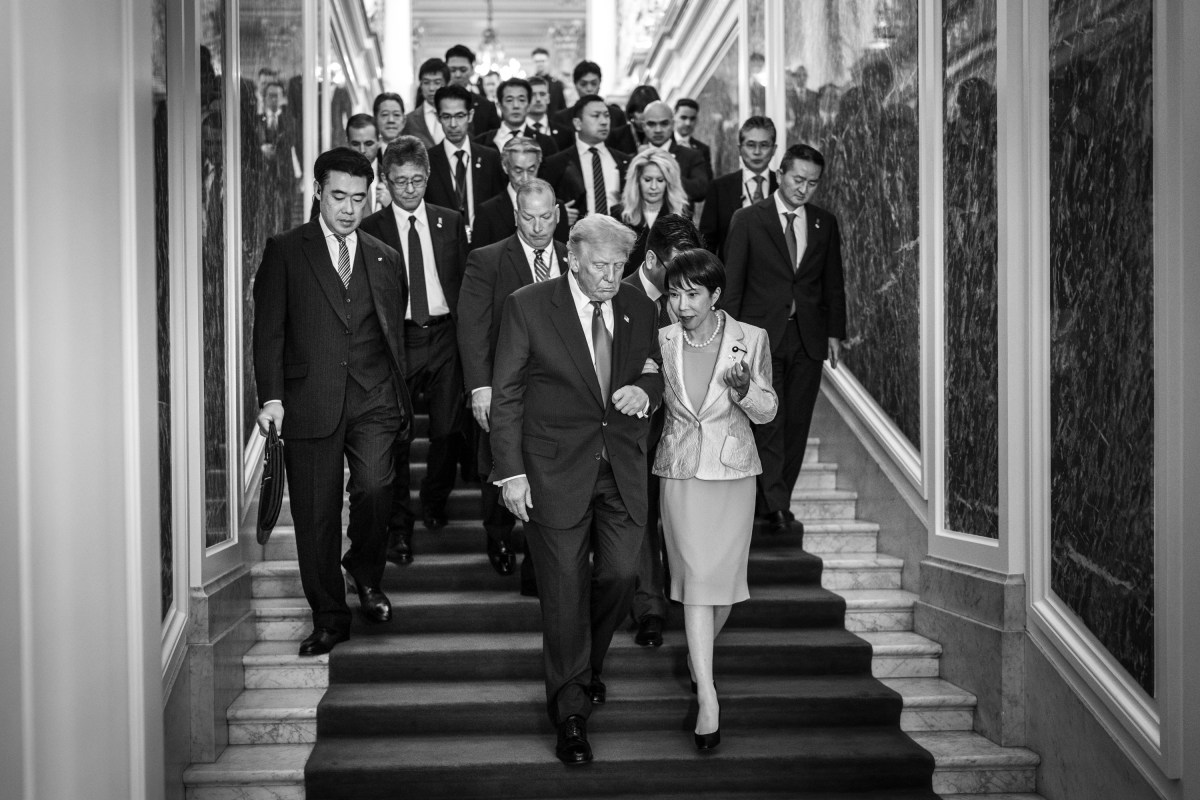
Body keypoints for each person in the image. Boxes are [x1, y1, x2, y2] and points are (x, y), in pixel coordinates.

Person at [489, 214, 663, 765]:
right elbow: (508, 393)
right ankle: (570, 710)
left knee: (621, 574)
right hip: (552, 471)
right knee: (563, 590)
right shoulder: (528, 305)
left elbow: (655, 370)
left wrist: (646, 391)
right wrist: (510, 473)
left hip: (621, 470)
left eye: (619, 266)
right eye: (600, 266)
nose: (611, 277)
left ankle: (584, 666)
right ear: (572, 257)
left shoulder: (639, 306)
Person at [252, 147, 413, 656]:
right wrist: (271, 398)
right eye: (338, 196)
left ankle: (364, 574)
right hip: (308, 401)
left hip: (374, 399)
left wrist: (398, 394)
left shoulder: (385, 256)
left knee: (374, 488)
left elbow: (393, 329)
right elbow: (268, 333)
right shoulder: (285, 250)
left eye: (359, 198)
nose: (348, 208)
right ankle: (328, 613)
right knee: (316, 515)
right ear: (318, 192)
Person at [654, 247, 777, 750]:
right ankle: (707, 693)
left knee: (720, 586)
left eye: (692, 294)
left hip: (732, 474)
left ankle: (696, 659)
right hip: (681, 470)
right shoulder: (659, 338)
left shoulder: (750, 339)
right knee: (695, 581)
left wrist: (747, 389)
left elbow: (767, 410)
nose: (682, 305)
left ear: (715, 294)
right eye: (674, 294)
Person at [723, 143, 846, 536]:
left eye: (812, 183)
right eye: (798, 179)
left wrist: (834, 333)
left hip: (807, 338)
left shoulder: (823, 223)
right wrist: (732, 340)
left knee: (797, 424)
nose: (804, 189)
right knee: (769, 420)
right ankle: (774, 504)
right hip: (762, 338)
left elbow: (834, 281)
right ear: (780, 174)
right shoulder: (748, 219)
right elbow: (734, 282)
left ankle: (778, 500)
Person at [358, 136, 469, 564]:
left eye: (417, 180)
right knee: (398, 439)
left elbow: (463, 282)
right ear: (385, 181)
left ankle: (435, 501)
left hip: (444, 337)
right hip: (397, 341)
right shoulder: (371, 229)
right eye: (400, 181)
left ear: (427, 177)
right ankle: (398, 529)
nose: (409, 189)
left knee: (446, 430)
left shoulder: (450, 220)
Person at [458, 178, 566, 589]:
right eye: (528, 217)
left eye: (545, 217)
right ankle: (499, 537)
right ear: (515, 214)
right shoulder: (487, 259)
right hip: (505, 387)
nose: (537, 226)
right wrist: (480, 387)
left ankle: (538, 563)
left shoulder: (570, 257)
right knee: (499, 464)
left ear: (557, 214)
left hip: (556, 390)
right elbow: (472, 326)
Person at [620, 213, 704, 648]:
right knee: (640, 519)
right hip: (631, 430)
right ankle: (649, 607)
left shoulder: (691, 296)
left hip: (685, 431)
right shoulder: (617, 293)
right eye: (675, 265)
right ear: (651, 258)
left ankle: (689, 602)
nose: (683, 277)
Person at [423, 84, 507, 241]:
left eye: (460, 116)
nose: (453, 124)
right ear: (437, 117)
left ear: (470, 115)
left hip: (486, 246)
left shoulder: (490, 157)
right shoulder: (427, 161)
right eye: (446, 117)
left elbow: (498, 207)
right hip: (443, 246)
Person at [539, 94, 632, 219]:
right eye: (595, 116)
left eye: (607, 115)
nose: (604, 122)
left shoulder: (625, 162)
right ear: (578, 123)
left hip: (618, 233)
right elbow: (543, 204)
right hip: (575, 234)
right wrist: (556, 214)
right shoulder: (555, 164)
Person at [470, 136, 571, 251]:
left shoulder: (556, 207)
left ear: (539, 165)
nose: (525, 178)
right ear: (505, 167)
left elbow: (563, 253)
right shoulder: (487, 212)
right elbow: (480, 260)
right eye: (518, 171)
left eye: (531, 170)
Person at [700, 116, 779, 258]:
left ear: (774, 149)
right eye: (750, 144)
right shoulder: (719, 188)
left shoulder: (783, 187)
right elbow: (706, 243)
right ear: (739, 149)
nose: (757, 152)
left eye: (764, 145)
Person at [610, 149, 688, 275]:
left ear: (669, 183)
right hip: (628, 288)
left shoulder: (682, 216)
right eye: (647, 180)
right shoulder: (619, 215)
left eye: (660, 180)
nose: (653, 187)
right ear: (637, 181)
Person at [633, 100, 711, 204]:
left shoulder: (692, 156)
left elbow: (701, 191)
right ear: (643, 126)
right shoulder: (634, 158)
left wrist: (668, 172)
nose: (658, 130)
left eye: (664, 124)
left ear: (672, 124)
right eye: (652, 124)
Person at [472, 77, 559, 156]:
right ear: (499, 105)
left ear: (528, 105)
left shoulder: (545, 143)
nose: (516, 105)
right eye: (509, 100)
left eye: (521, 100)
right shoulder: (481, 142)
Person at [550, 60, 628, 134]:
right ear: (575, 85)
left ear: (600, 83)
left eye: (593, 83)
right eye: (583, 84)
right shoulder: (561, 118)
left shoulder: (617, 116)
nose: (589, 89)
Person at [444, 44, 501, 134]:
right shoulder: (435, 102)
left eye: (463, 70)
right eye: (453, 70)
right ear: (445, 70)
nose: (458, 74)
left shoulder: (487, 107)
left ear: (472, 70)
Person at [400, 59, 449, 148]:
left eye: (437, 83)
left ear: (446, 84)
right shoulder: (410, 120)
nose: (431, 88)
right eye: (426, 83)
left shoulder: (458, 115)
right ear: (421, 85)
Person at [345, 113, 389, 212]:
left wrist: (392, 207)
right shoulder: (331, 179)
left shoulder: (392, 179)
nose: (362, 150)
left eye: (368, 143)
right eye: (355, 144)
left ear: (380, 142)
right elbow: (316, 223)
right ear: (347, 143)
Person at [606, 84, 660, 153]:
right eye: (641, 111)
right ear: (632, 112)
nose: (646, 115)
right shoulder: (616, 136)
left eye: (650, 111)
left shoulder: (663, 133)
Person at [526, 75, 571, 151]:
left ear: (548, 98)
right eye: (533, 95)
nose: (538, 99)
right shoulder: (516, 132)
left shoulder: (565, 134)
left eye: (542, 94)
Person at [672, 98, 712, 176]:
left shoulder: (702, 149)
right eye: (683, 118)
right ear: (674, 116)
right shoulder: (665, 142)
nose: (688, 123)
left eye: (692, 119)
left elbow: (708, 179)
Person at [531, 46, 566, 114]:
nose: (540, 64)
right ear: (533, 62)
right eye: (537, 61)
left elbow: (562, 107)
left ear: (548, 62)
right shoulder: (528, 84)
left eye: (543, 61)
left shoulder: (557, 84)